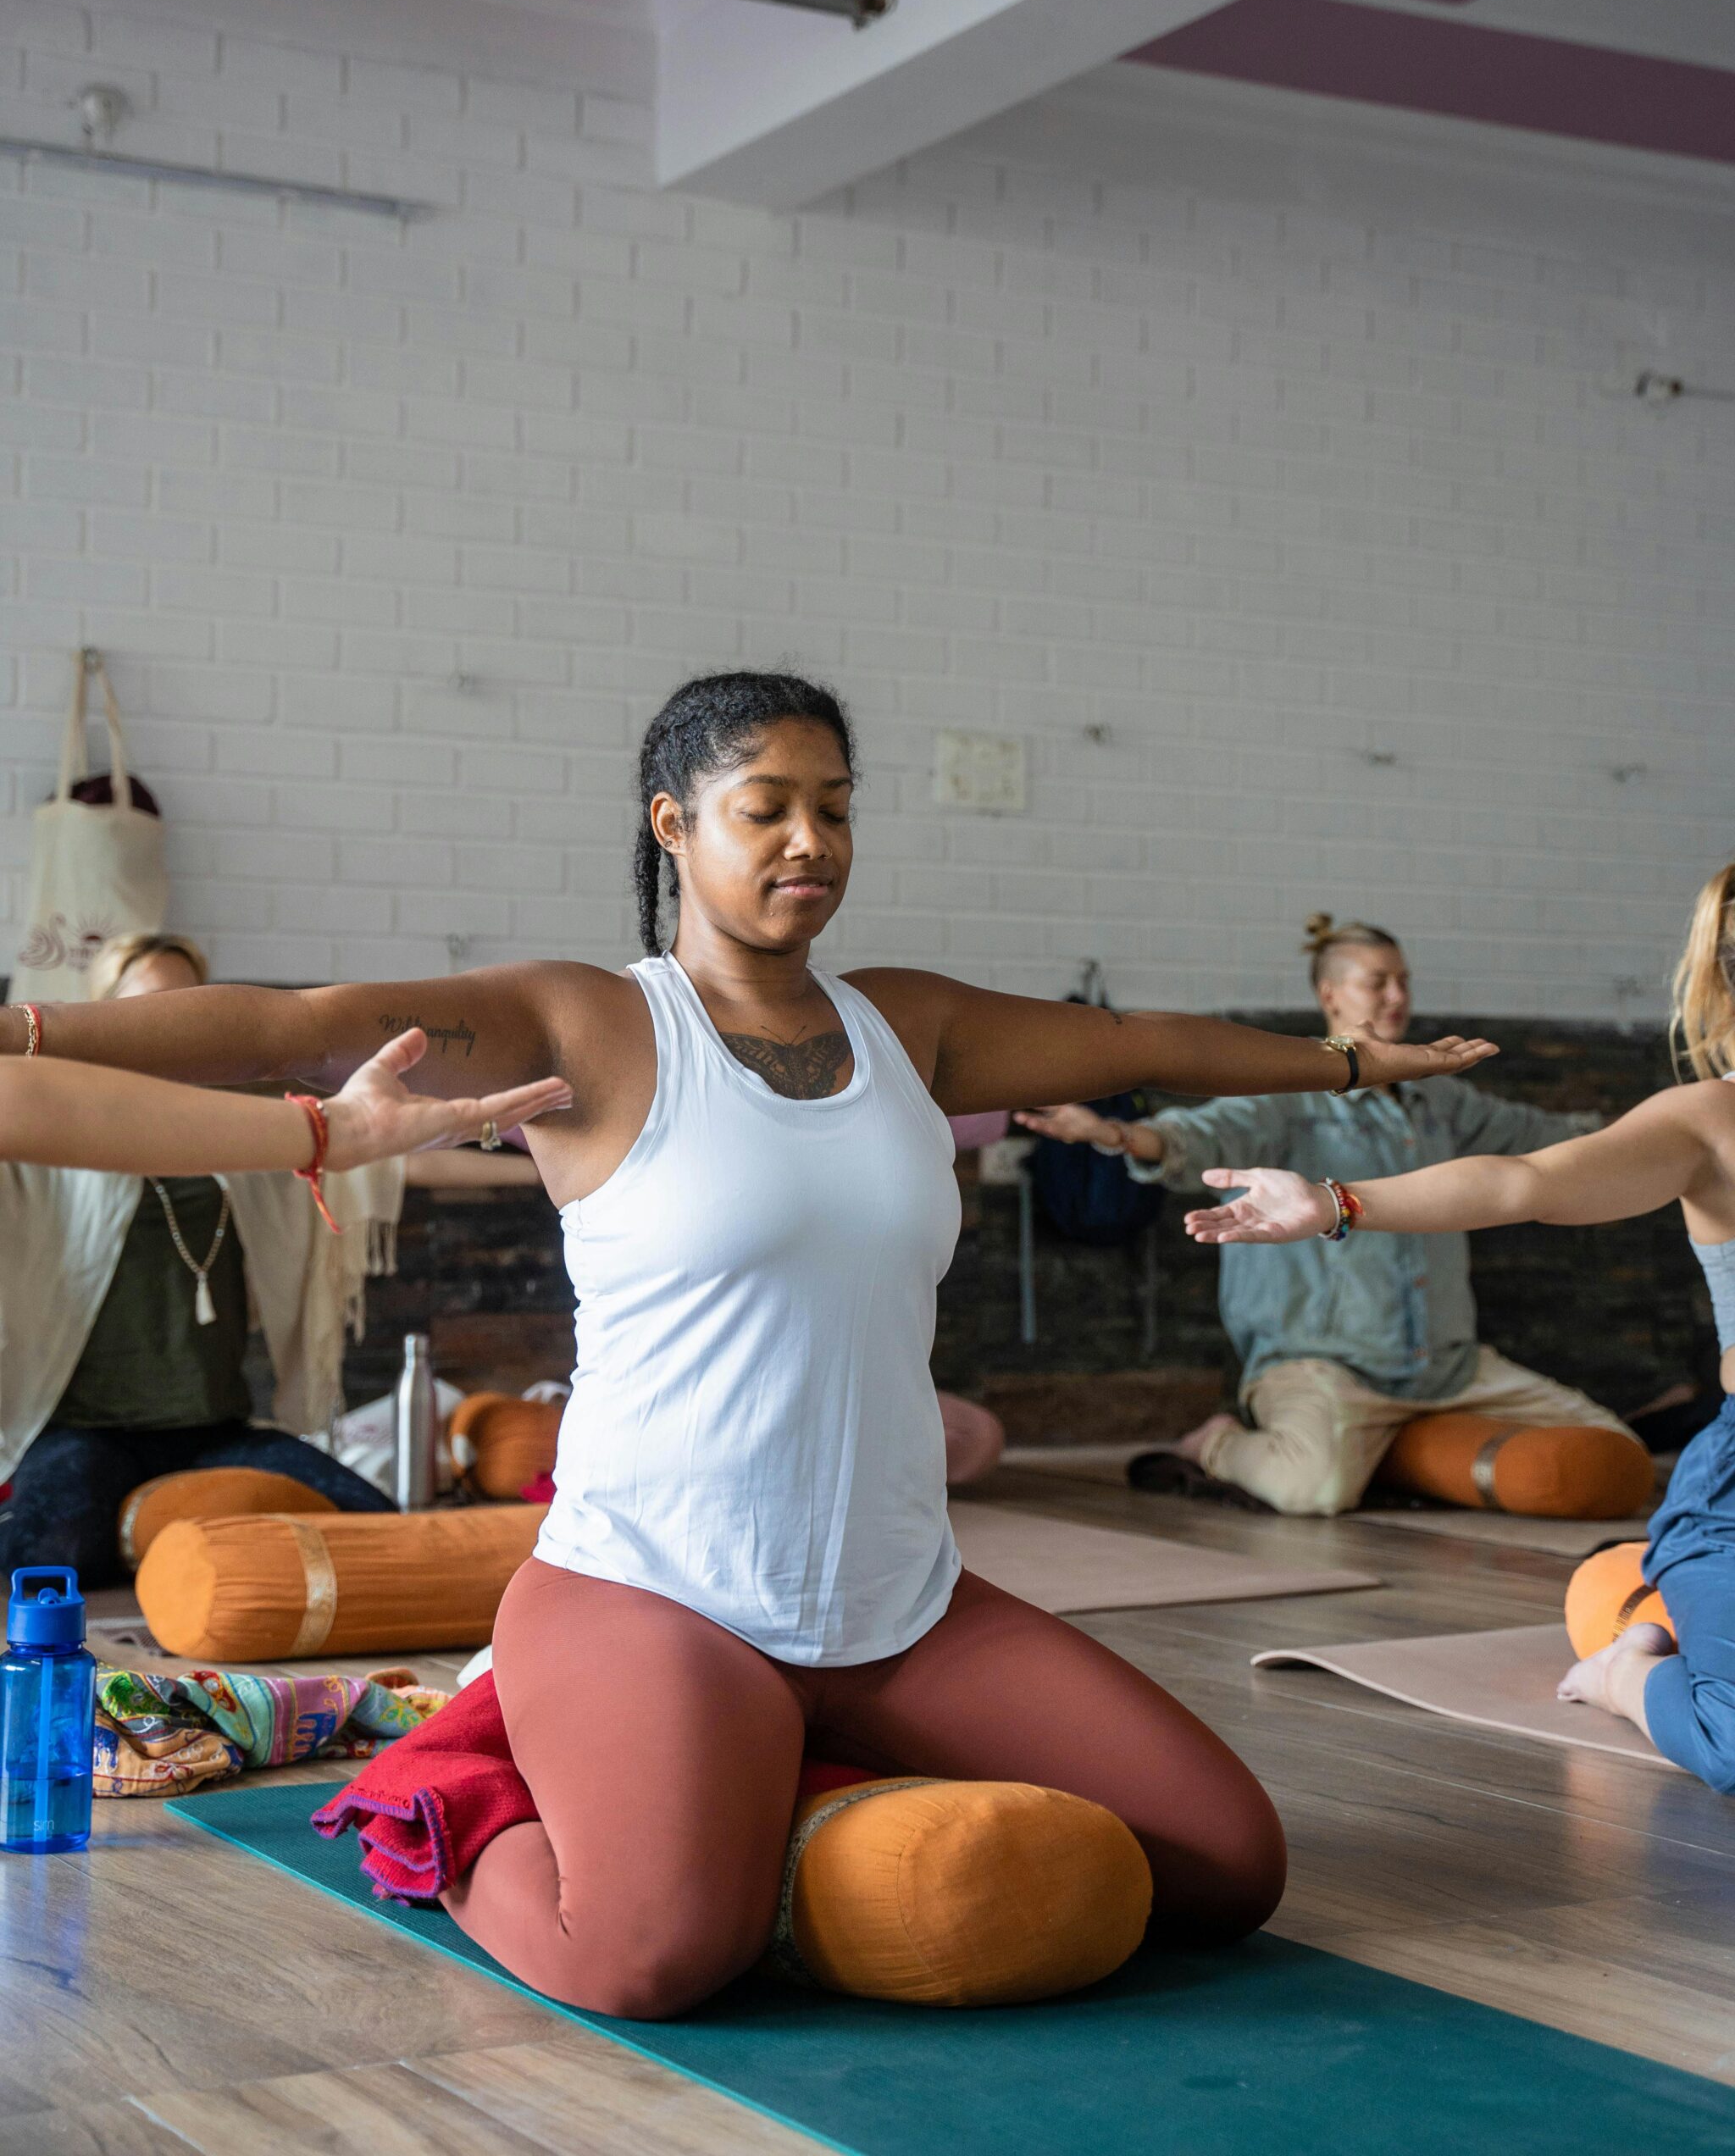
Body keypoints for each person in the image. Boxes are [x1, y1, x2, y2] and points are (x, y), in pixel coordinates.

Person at [2, 671, 1498, 2016]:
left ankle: (774, 1792)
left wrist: (1357, 1063)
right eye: (765, 807)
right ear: (674, 823)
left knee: (1227, 1867)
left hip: (896, 1606)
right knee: (647, 1959)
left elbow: (1146, 1044)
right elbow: (292, 1020)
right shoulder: (585, 1024)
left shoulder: (906, 1025)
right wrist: (33, 1040)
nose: (810, 841)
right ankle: (445, 1805)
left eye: (834, 808)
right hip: (651, 1596)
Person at [1180, 859, 1735, 1793]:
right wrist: (1331, 1199)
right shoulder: (1710, 1123)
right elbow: (1524, 1180)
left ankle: (1654, 1610)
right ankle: (1629, 1666)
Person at [1015, 916, 1633, 1516]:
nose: (1397, 995)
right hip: (1321, 1366)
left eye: (1404, 980)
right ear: (1329, 993)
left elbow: (1543, 1136)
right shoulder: (1285, 1092)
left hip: (1448, 1366)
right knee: (1313, 1491)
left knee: (1616, 1450)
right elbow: (1199, 1137)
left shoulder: (1439, 1095)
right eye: (1378, 981)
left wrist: (1662, 1135)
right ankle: (1218, 1443)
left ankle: (1395, 1445)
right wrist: (1116, 1134)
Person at [0, 1028, 571, 1574]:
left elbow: (386, 1162)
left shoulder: (237, 1156)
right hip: (83, 1430)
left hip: (214, 1431)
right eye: (147, 1008)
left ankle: (166, 1541)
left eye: (184, 1008)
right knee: (50, 1559)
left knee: (370, 1519)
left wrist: (558, 1176)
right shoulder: (46, 1163)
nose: (165, 1025)